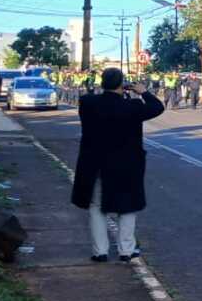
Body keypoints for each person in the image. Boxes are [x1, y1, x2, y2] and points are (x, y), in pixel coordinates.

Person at [71, 68, 165, 262]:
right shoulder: (133, 106)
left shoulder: (88, 103)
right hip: (126, 165)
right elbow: (157, 107)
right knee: (127, 207)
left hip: (95, 163)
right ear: (122, 85)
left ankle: (100, 251)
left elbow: (94, 99)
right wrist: (142, 91)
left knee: (97, 207)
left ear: (102, 82)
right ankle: (126, 250)